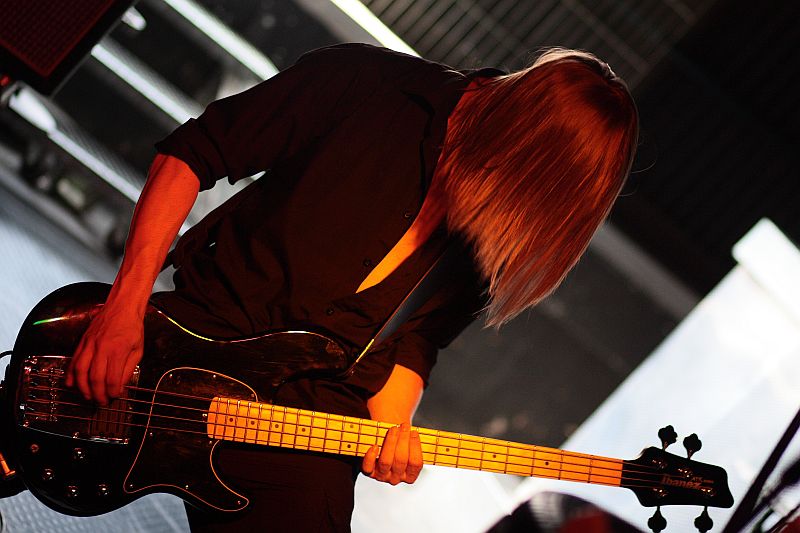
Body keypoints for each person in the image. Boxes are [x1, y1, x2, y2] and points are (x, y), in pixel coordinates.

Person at [65, 43, 638, 531]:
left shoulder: (492, 233)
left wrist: (394, 432)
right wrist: (123, 308)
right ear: (519, 138)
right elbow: (192, 154)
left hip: (308, 416)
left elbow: (417, 341)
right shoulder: (369, 83)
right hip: (195, 339)